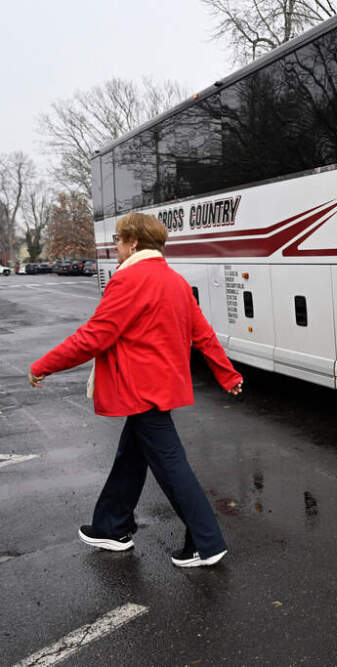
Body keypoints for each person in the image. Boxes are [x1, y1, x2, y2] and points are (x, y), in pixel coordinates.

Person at [28, 212, 243, 568]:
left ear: (133, 243)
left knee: (172, 465)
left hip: (140, 391)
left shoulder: (129, 280)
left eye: (117, 241)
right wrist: (228, 375)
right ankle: (110, 526)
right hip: (161, 388)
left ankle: (206, 543)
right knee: (131, 456)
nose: (116, 248)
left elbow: (94, 336)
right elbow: (202, 333)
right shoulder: (174, 281)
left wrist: (43, 366)